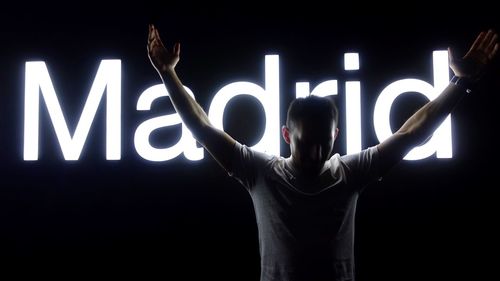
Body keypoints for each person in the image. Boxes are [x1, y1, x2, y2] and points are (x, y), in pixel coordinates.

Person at [146, 24, 498, 281]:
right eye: (305, 143)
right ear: (286, 135)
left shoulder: (350, 171)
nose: (315, 153)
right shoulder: (261, 171)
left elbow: (412, 132)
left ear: (336, 136)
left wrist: (461, 83)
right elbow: (202, 127)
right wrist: (167, 75)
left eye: (323, 143)